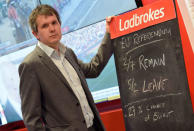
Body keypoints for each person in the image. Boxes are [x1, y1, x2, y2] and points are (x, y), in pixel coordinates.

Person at [18, 4, 113, 131]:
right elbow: (31, 120)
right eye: (45, 26)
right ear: (36, 34)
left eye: (54, 23)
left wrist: (109, 34)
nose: (52, 29)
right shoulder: (30, 65)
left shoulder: (68, 53)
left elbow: (93, 69)